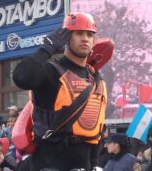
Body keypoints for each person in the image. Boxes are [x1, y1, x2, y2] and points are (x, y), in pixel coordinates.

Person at [12, 12, 108, 171]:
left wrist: (95, 164)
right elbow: (21, 77)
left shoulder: (96, 79)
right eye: (79, 33)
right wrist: (47, 47)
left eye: (90, 34)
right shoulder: (51, 71)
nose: (85, 38)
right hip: (48, 164)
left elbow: (96, 132)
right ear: (66, 37)